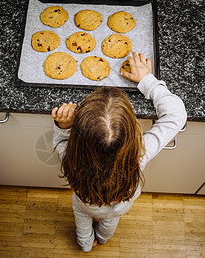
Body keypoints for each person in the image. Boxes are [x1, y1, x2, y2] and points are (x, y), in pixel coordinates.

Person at [52, 51, 187, 253]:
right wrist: (147, 80)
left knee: (81, 217)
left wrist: (63, 126)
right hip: (120, 205)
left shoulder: (72, 156)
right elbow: (176, 114)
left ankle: (86, 245)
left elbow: (62, 141)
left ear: (78, 139)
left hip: (84, 201)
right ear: (134, 132)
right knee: (110, 221)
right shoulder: (140, 152)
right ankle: (103, 238)